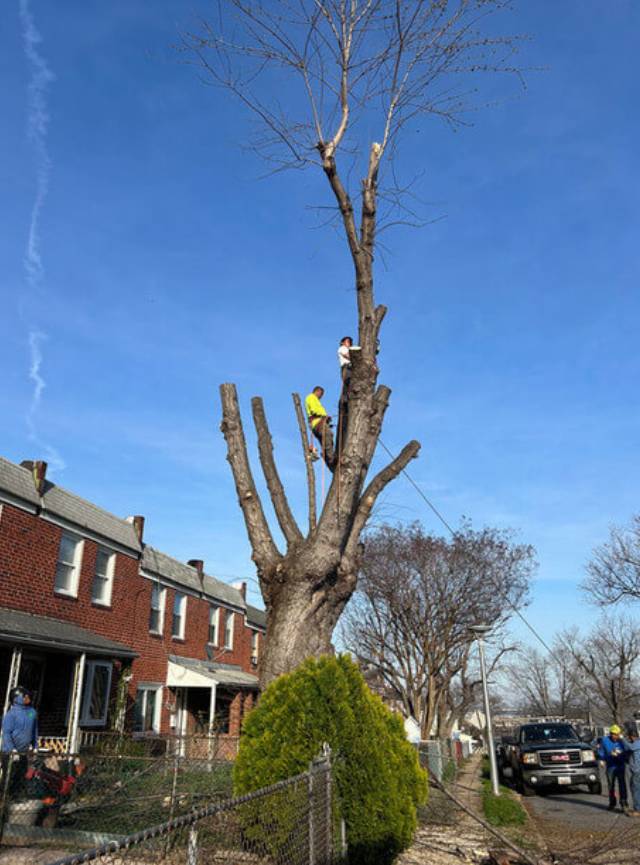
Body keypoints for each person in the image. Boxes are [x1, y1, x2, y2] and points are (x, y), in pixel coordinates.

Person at [304, 387, 336, 471]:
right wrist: (324, 416)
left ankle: (330, 461)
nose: (321, 396)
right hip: (318, 423)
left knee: (326, 441)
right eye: (321, 394)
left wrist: (327, 420)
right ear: (317, 391)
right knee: (328, 435)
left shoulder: (315, 400)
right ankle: (331, 459)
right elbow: (315, 410)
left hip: (318, 424)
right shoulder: (311, 397)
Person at [598, 724, 628, 812]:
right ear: (610, 733)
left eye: (617, 734)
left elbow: (627, 751)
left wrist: (621, 755)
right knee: (611, 785)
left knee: (622, 785)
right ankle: (612, 802)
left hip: (620, 765)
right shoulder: (604, 740)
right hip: (610, 766)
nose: (616, 736)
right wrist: (602, 760)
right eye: (614, 734)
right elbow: (601, 752)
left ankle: (624, 802)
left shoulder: (621, 741)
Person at [2, 686, 38, 753]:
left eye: (27, 695)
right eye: (24, 696)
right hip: (10, 752)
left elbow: (34, 730)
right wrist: (12, 749)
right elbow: (6, 733)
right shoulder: (11, 714)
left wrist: (35, 746)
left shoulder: (31, 712)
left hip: (25, 751)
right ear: (16, 699)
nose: (27, 697)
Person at [624, 723, 640, 816]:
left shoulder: (637, 743)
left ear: (633, 736)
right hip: (636, 770)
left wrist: (622, 739)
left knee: (635, 790)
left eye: (629, 737)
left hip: (637, 771)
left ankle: (637, 810)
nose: (629, 739)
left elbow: (630, 747)